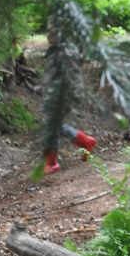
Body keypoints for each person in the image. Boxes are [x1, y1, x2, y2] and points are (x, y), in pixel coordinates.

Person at [42, 18, 97, 175]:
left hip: (64, 96)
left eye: (50, 32)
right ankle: (86, 141)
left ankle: (52, 162)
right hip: (57, 95)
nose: (47, 35)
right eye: (47, 32)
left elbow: (71, 78)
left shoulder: (66, 52)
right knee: (54, 124)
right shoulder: (57, 51)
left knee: (51, 124)